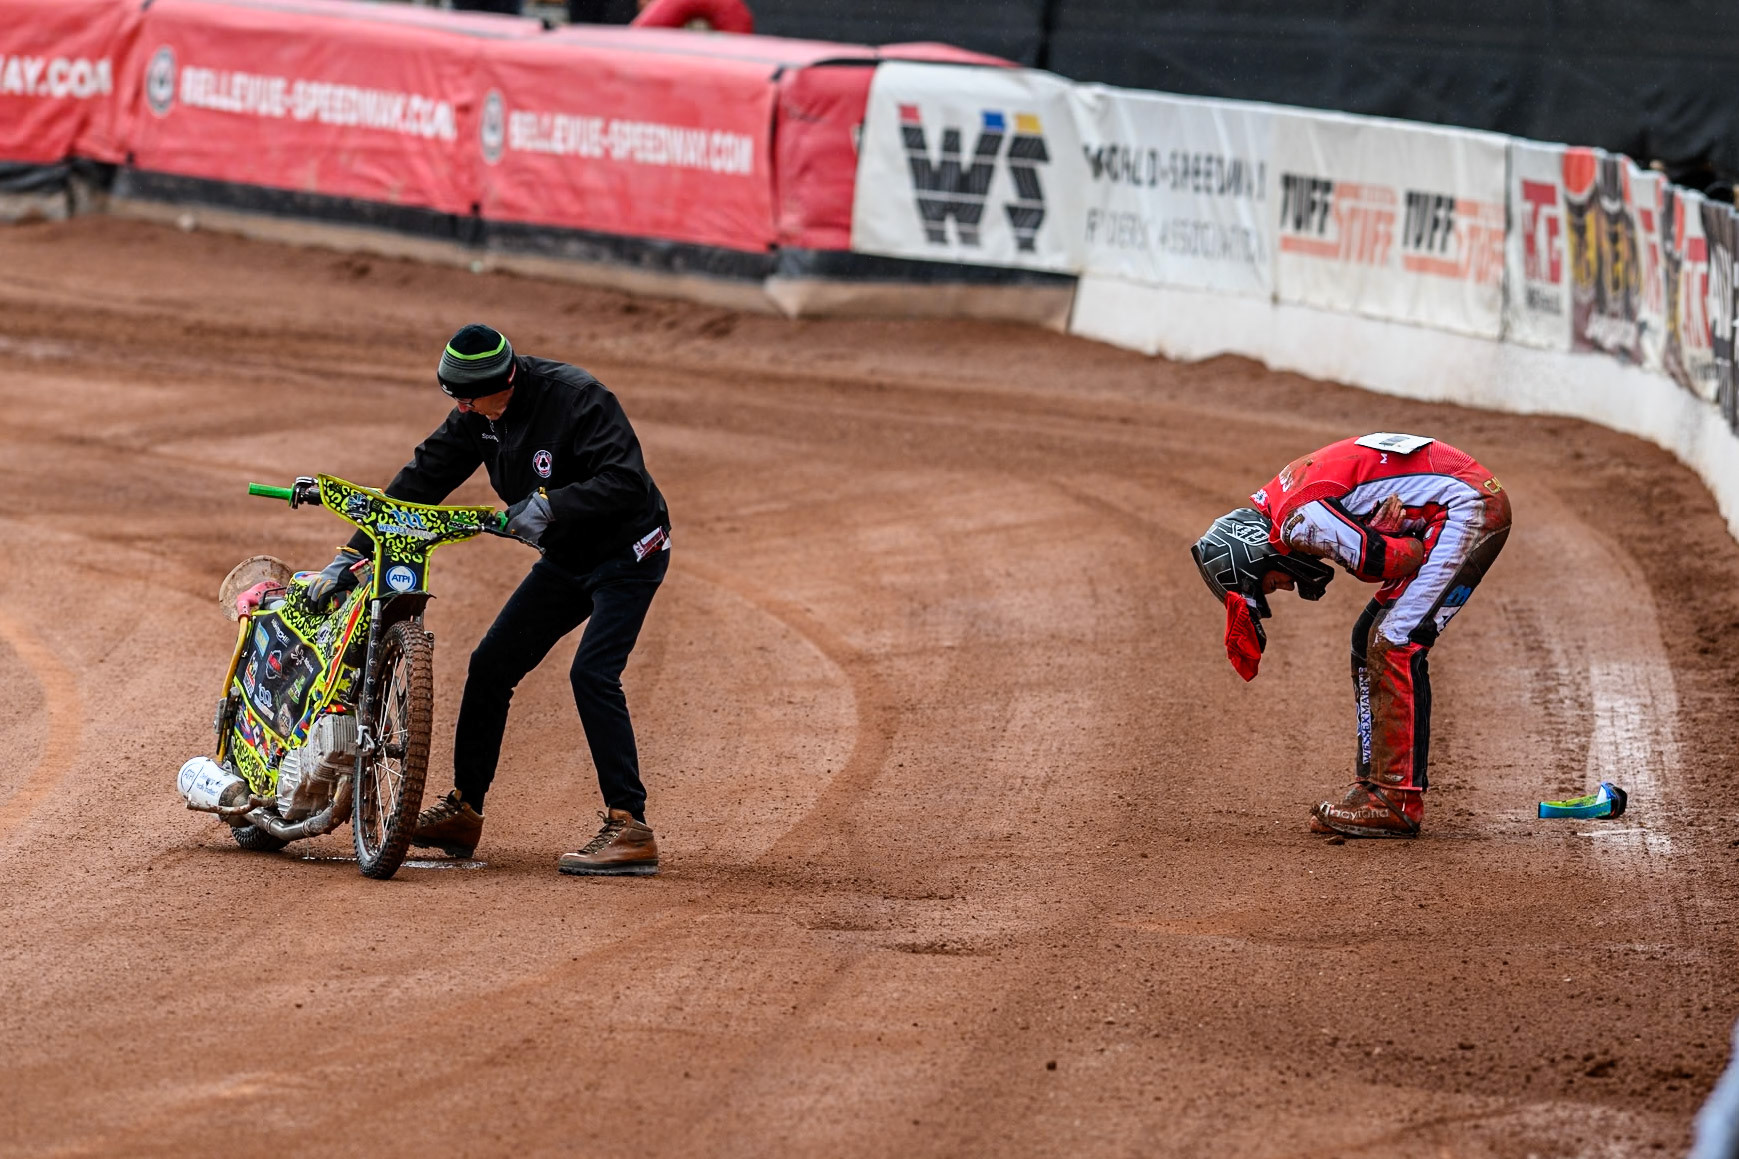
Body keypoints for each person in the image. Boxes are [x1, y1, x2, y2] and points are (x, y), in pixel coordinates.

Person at [305, 324, 671, 875]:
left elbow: (626, 480)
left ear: (510, 380)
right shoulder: (476, 415)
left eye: (472, 397)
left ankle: (630, 826)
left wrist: (550, 505)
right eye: (455, 397)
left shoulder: (577, 400)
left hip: (630, 552)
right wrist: (352, 555)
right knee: (490, 666)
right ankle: (464, 812)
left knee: (592, 673)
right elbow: (420, 480)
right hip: (568, 558)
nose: (464, 407)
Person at [1189, 433, 1511, 838]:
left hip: (1469, 507)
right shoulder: (1282, 500)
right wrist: (1373, 534)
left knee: (1394, 641)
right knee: (1368, 639)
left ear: (1254, 556)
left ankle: (1397, 800)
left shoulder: (1296, 522)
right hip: (1462, 496)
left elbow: (1390, 559)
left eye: (1268, 584)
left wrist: (1386, 540)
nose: (1285, 588)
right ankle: (1374, 785)